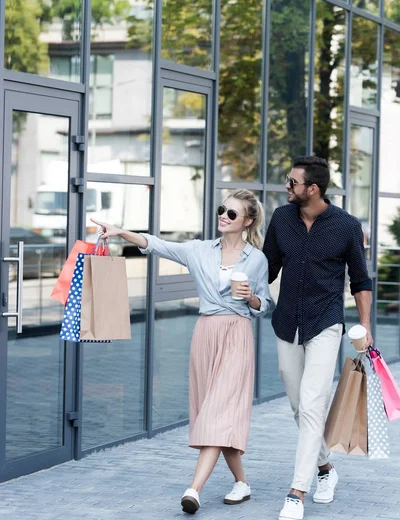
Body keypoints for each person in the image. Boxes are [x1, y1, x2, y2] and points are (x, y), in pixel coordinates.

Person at [92, 189, 271, 515]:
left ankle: (194, 489)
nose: (223, 216)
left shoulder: (256, 259)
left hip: (237, 334)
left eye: (232, 214)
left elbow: (264, 303)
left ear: (247, 221)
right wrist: (120, 232)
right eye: (222, 209)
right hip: (205, 333)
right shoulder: (199, 250)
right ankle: (242, 483)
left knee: (217, 414)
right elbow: (156, 244)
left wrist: (251, 298)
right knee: (214, 415)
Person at [263, 156, 373, 520]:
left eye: (292, 182)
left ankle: (296, 493)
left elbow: (360, 281)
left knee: (312, 405)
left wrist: (365, 326)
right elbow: (267, 266)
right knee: (299, 406)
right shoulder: (281, 219)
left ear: (313, 188)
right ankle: (326, 468)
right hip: (286, 323)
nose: (286, 186)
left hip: (326, 323)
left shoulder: (346, 226)